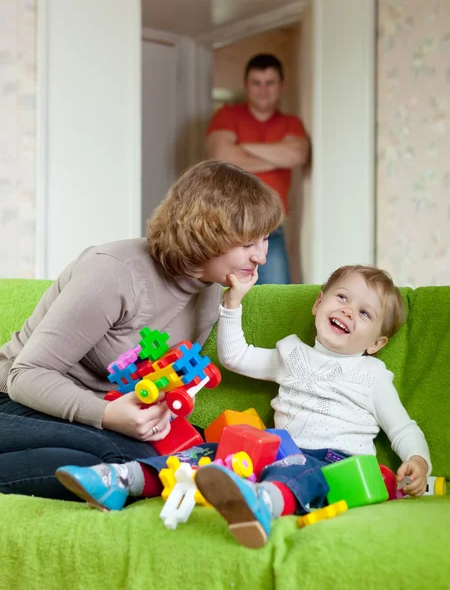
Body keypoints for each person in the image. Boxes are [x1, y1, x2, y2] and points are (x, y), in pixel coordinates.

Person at [0, 160, 284, 501]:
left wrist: (157, 411)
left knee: (194, 454)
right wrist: (107, 415)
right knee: (124, 462)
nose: (262, 258)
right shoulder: (114, 271)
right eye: (248, 243)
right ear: (207, 233)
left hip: (83, 413)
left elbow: (156, 374)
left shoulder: (211, 291)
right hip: (15, 400)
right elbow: (26, 374)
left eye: (265, 240)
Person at [193, 264, 431, 548]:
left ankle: (262, 503)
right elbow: (235, 356)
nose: (348, 311)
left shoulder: (373, 376)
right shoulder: (292, 355)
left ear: (376, 343)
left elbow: (403, 429)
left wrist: (419, 461)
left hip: (336, 463)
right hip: (282, 453)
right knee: (213, 449)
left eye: (365, 313)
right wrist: (232, 303)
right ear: (318, 304)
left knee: (302, 467)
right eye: (342, 298)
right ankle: (133, 476)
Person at [206, 53, 310, 285]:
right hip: (230, 224)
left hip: (272, 227)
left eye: (270, 83)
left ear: (281, 86)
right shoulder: (227, 115)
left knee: (277, 301)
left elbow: (297, 154)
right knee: (227, 296)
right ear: (246, 85)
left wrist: (243, 148)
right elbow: (222, 155)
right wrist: (277, 156)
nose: (263, 90)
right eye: (256, 83)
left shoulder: (291, 123)